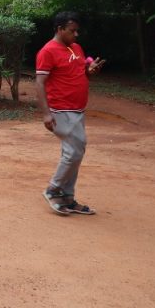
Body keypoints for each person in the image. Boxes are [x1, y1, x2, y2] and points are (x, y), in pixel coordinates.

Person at [35, 11, 105, 216]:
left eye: (77, 31)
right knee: (74, 151)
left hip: (77, 109)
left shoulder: (76, 48)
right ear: (60, 29)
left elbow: (80, 74)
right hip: (61, 109)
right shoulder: (48, 51)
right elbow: (39, 83)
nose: (76, 35)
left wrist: (90, 71)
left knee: (76, 151)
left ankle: (68, 198)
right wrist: (46, 114)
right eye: (72, 31)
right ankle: (53, 189)